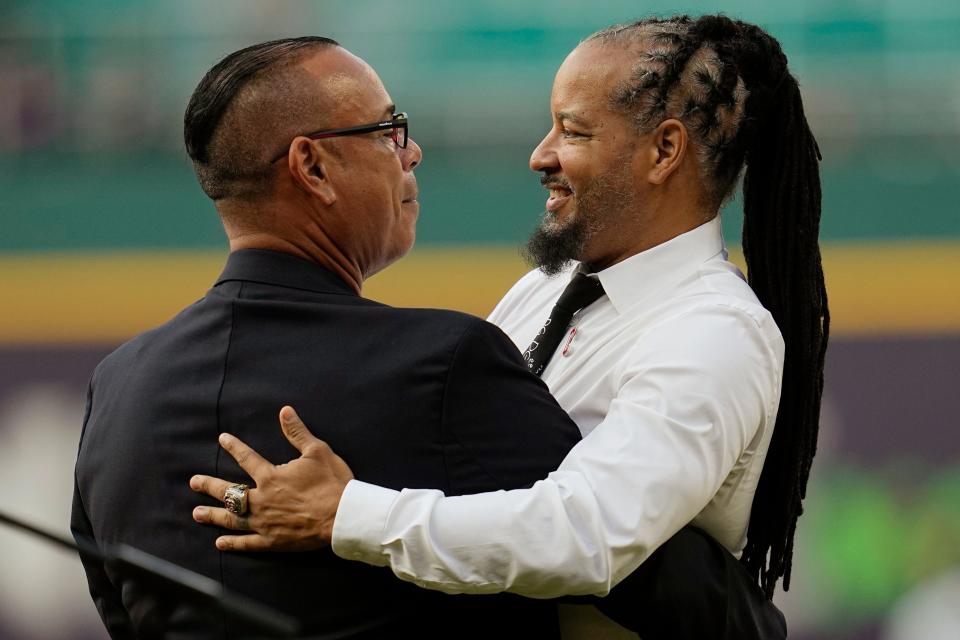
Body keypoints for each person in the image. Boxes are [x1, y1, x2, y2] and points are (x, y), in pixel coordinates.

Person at [71, 34, 783, 639]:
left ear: (666, 152)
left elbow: (117, 599)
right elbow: (627, 564)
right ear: (311, 167)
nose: (411, 153)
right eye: (388, 130)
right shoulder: (450, 362)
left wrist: (349, 512)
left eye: (572, 131)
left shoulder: (119, 386)